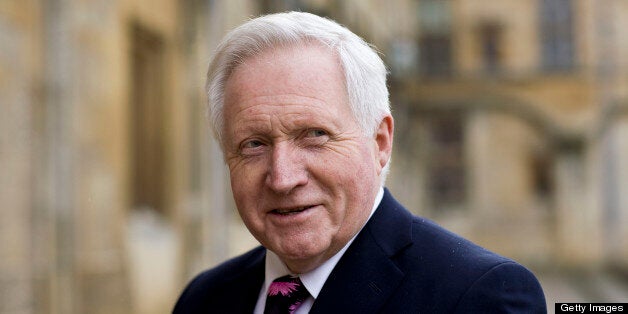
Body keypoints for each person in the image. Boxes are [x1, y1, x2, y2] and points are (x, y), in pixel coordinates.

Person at [173, 11, 546, 313]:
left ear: (380, 142)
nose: (282, 178)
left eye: (315, 135)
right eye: (254, 144)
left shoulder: (480, 297)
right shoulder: (204, 299)